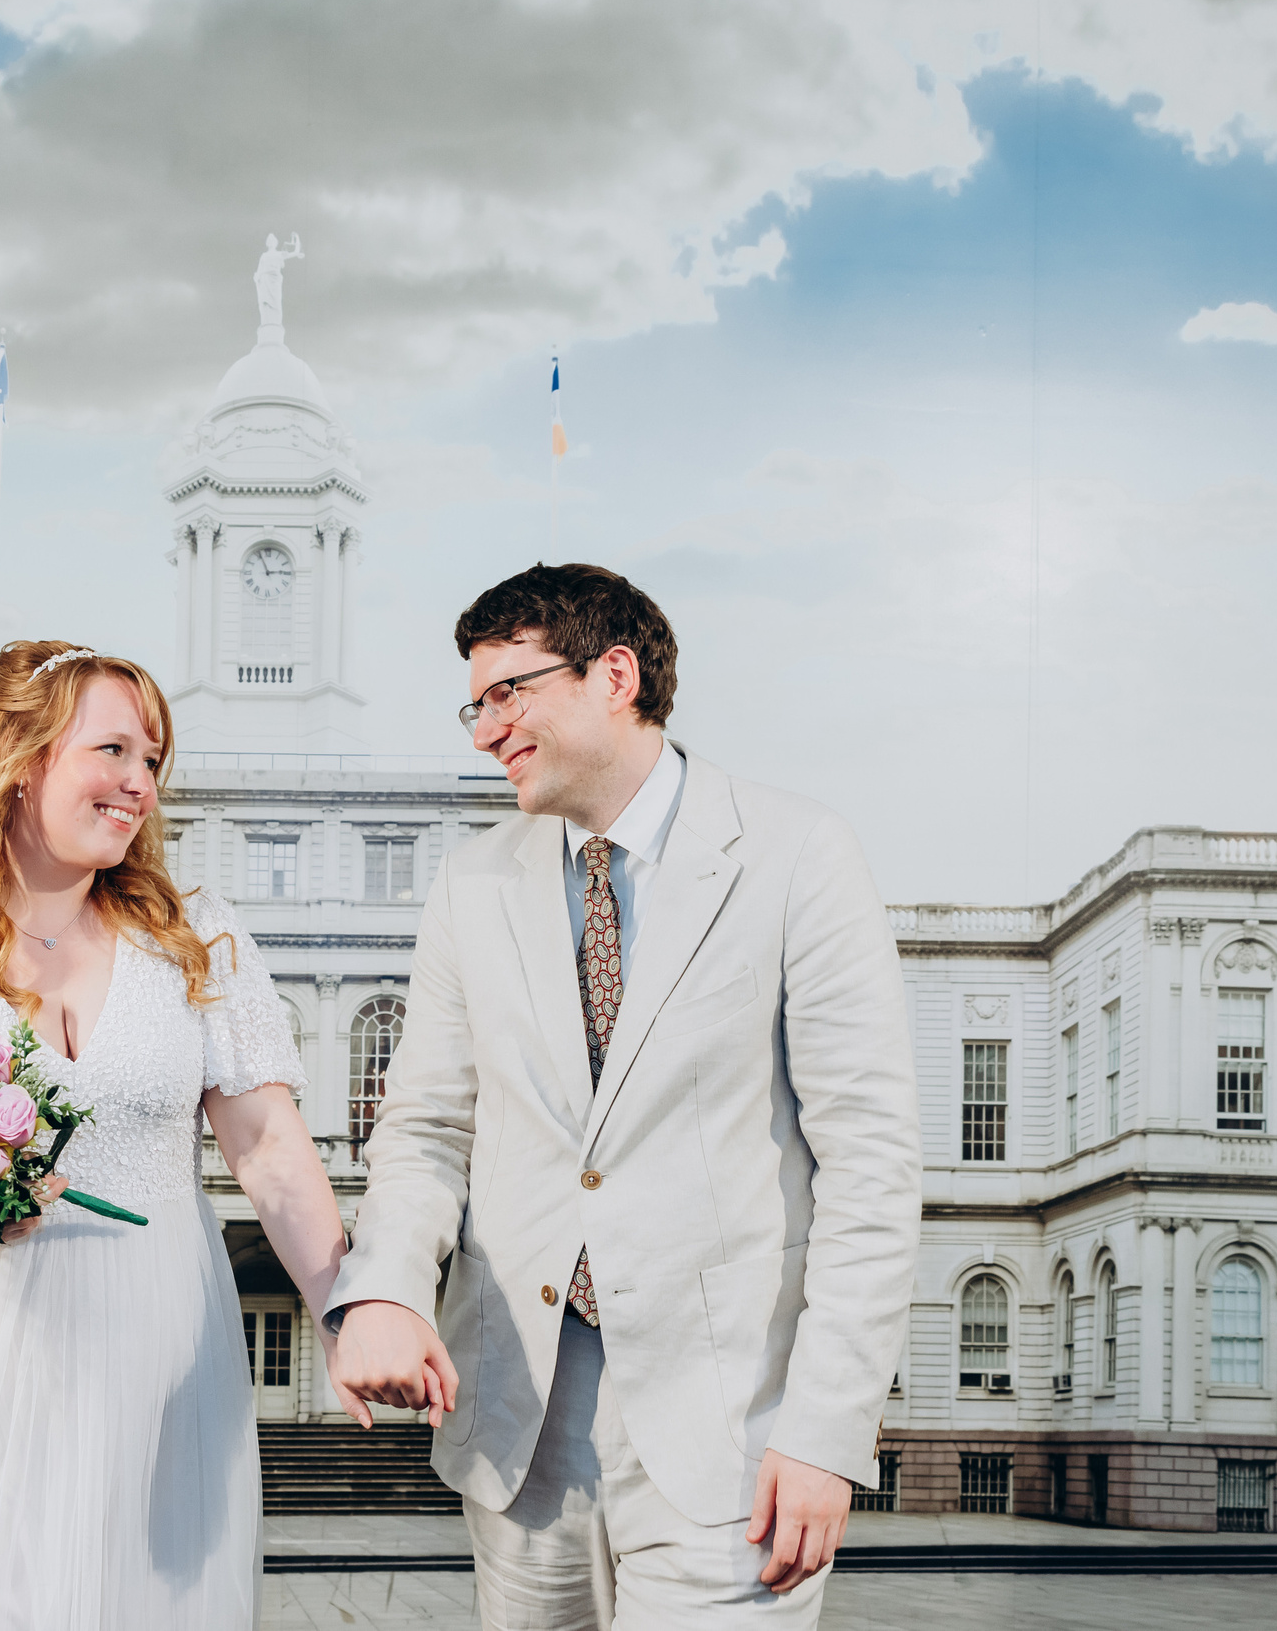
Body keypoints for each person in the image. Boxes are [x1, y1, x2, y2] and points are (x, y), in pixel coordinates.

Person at [325, 564, 920, 1628]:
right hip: (521, 1424)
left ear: (614, 674)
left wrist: (826, 1431)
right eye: (476, 703)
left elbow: (869, 1168)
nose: (484, 729)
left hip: (734, 1433)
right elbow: (425, 1127)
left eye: (510, 692)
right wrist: (383, 1287)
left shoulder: (797, 855)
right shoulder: (471, 885)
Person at [0, 641, 350, 1629]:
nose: (139, 784)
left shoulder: (196, 943)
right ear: (23, 759)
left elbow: (267, 1148)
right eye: (114, 750)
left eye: (153, 760)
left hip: (161, 1347)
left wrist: (346, 1305)